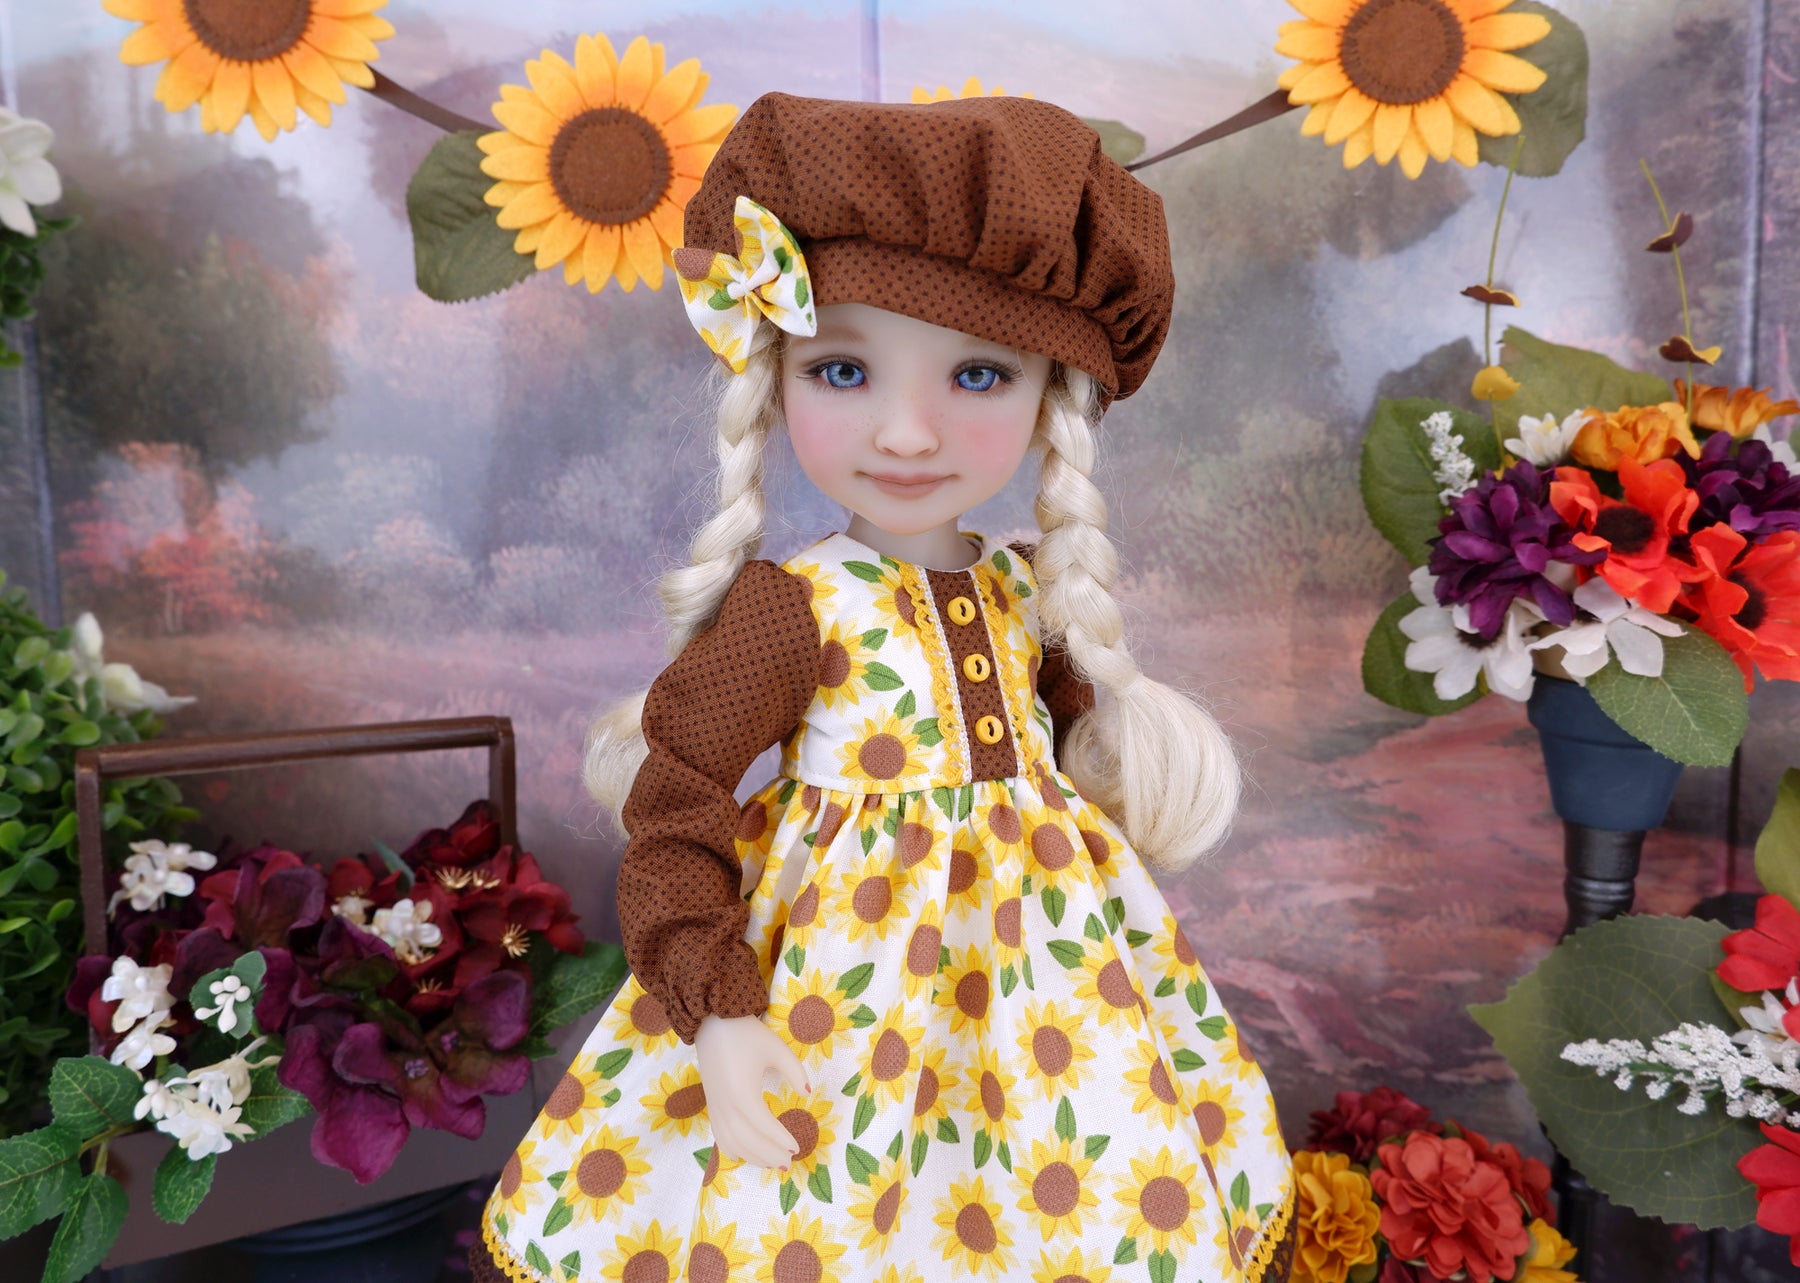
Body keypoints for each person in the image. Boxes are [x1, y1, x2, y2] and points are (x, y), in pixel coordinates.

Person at [472, 91, 1295, 1283]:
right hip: (841, 988)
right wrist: (720, 1010)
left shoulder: (1025, 589)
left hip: (1048, 989)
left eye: (979, 376)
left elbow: (1069, 748)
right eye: (845, 369)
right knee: (838, 1203)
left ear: (1050, 394)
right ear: (777, 378)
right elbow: (678, 802)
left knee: (1062, 1191)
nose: (907, 434)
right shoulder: (793, 607)